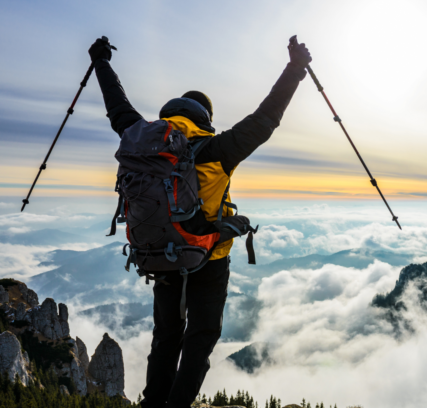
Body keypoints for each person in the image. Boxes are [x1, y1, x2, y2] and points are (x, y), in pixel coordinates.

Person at [88, 36, 312, 407]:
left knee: (166, 338)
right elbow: (266, 118)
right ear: (204, 118)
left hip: (160, 254)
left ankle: (153, 402)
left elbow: (117, 105)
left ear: (170, 114)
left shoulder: (138, 138)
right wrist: (294, 69)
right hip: (209, 258)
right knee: (200, 339)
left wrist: (100, 61)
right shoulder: (217, 149)